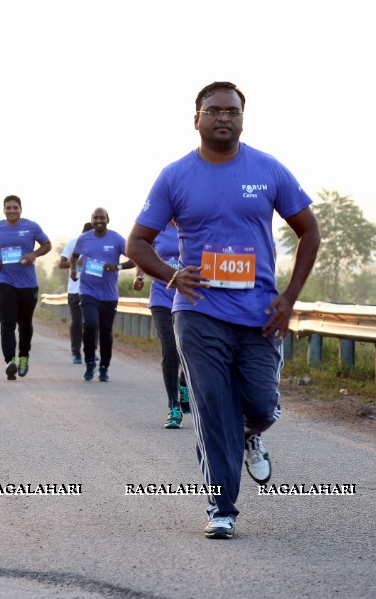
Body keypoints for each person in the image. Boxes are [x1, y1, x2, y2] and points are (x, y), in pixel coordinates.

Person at [126, 81, 320, 540]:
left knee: (260, 406)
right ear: (196, 119)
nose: (223, 118)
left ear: (242, 118)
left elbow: (309, 231)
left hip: (259, 315)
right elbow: (137, 243)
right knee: (214, 410)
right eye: (213, 110)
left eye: (231, 111)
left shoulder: (268, 169)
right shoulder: (175, 176)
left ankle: (252, 434)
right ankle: (222, 507)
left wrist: (288, 297)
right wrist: (172, 276)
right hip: (197, 312)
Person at [0, 194, 52, 380]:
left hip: (28, 284)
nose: (11, 211)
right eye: (8, 208)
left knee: (25, 324)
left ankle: (24, 357)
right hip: (5, 281)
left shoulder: (31, 226)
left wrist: (34, 254)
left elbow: (47, 244)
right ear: (3, 210)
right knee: (7, 322)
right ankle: (10, 360)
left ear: (21, 209)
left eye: (15, 207)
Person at [132, 221, 190, 428]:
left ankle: (183, 383)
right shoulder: (157, 228)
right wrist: (139, 275)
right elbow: (142, 252)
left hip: (187, 297)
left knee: (189, 349)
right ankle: (173, 406)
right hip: (161, 297)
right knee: (170, 348)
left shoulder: (192, 223)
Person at [70, 208, 134, 382]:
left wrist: (117, 267)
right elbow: (74, 256)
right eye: (95, 218)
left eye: (102, 217)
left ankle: (104, 366)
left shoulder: (117, 239)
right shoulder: (84, 238)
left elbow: (135, 258)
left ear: (107, 219)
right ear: (91, 220)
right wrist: (74, 269)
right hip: (88, 290)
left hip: (109, 294)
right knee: (90, 325)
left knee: (106, 332)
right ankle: (90, 362)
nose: (99, 220)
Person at [58, 221, 93, 364]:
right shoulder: (73, 243)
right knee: (77, 322)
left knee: (92, 322)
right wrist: (76, 263)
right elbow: (61, 263)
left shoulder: (98, 244)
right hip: (75, 290)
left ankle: (91, 351)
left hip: (93, 290)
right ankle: (76, 353)